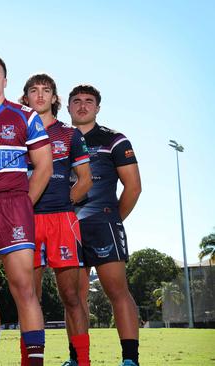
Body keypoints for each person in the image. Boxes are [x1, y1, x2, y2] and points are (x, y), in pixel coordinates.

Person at [0, 55, 53, 366]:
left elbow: (44, 166)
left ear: (5, 81)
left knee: (24, 288)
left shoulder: (24, 115)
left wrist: (23, 203)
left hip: (14, 205)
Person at [20, 74, 93, 366]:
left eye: (45, 90)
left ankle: (82, 361)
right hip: (27, 222)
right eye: (33, 91)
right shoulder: (17, 133)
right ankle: (30, 361)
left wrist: (64, 202)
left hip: (62, 221)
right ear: (24, 98)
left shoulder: (70, 134)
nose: (39, 95)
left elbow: (85, 180)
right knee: (28, 298)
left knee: (72, 297)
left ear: (54, 98)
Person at [69, 84, 142, 366]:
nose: (83, 106)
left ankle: (129, 360)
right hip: (69, 227)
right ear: (68, 107)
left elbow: (133, 188)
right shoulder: (60, 139)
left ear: (97, 108)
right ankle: (77, 358)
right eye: (77, 101)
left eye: (89, 101)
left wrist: (113, 219)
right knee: (74, 296)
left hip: (104, 223)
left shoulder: (114, 139)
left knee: (116, 290)